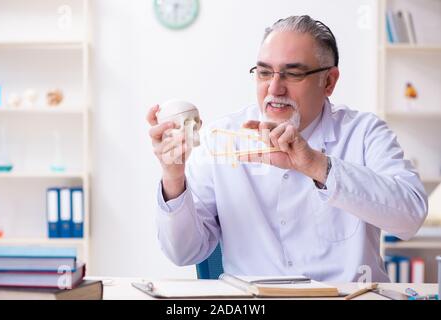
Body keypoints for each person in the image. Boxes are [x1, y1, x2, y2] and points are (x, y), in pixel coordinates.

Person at [146, 15, 427, 282]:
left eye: (292, 74)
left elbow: (410, 218)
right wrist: (173, 176)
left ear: (328, 81)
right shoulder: (222, 138)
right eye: (264, 72)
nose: (274, 89)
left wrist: (316, 165)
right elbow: (183, 253)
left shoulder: (364, 132)